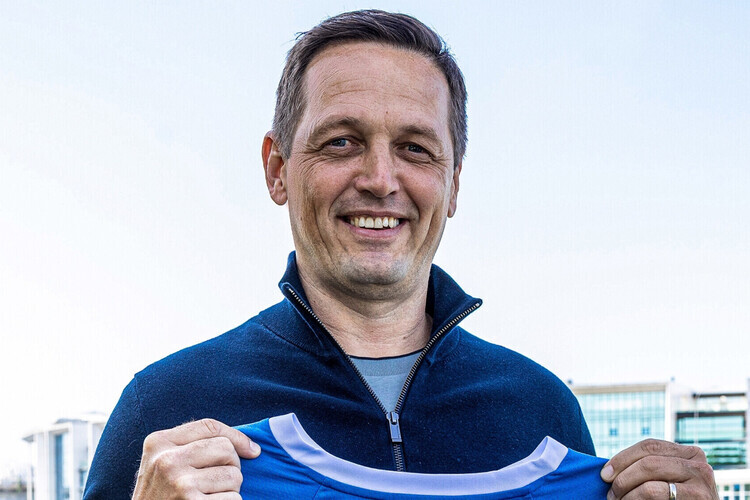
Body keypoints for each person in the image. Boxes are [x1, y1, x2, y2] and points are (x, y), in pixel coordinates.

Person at [83, 9, 718, 500]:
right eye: (341, 142)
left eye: (415, 148)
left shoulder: (544, 411)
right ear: (277, 169)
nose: (380, 180)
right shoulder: (165, 410)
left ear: (454, 183)